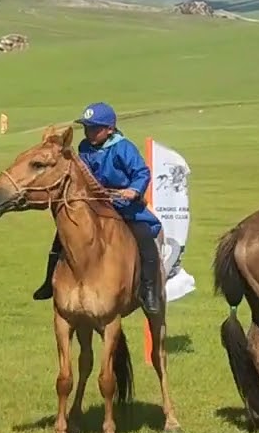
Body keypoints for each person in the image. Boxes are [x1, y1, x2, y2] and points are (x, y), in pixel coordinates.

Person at [30, 102, 164, 316]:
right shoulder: (84, 148)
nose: (89, 132)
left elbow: (141, 173)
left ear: (110, 129)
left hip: (125, 206)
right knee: (60, 239)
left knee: (145, 241)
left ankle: (149, 292)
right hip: (95, 205)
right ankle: (49, 283)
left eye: (95, 128)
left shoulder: (123, 148)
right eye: (87, 128)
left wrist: (133, 190)